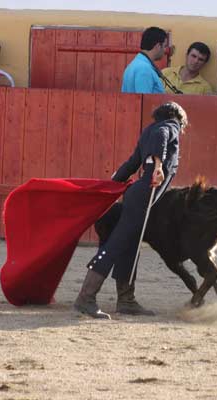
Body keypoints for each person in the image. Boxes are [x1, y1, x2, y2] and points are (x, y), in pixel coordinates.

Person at [74, 102, 188, 319]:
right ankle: (85, 297)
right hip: (144, 193)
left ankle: (126, 299)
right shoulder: (169, 127)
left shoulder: (149, 131)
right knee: (118, 243)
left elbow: (130, 164)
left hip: (138, 193)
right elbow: (163, 136)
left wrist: (110, 186)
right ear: (178, 118)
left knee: (130, 246)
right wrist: (157, 166)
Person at [121, 26, 168, 94]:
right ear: (158, 46)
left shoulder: (136, 64)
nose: (165, 50)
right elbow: (145, 101)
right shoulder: (144, 69)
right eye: (164, 46)